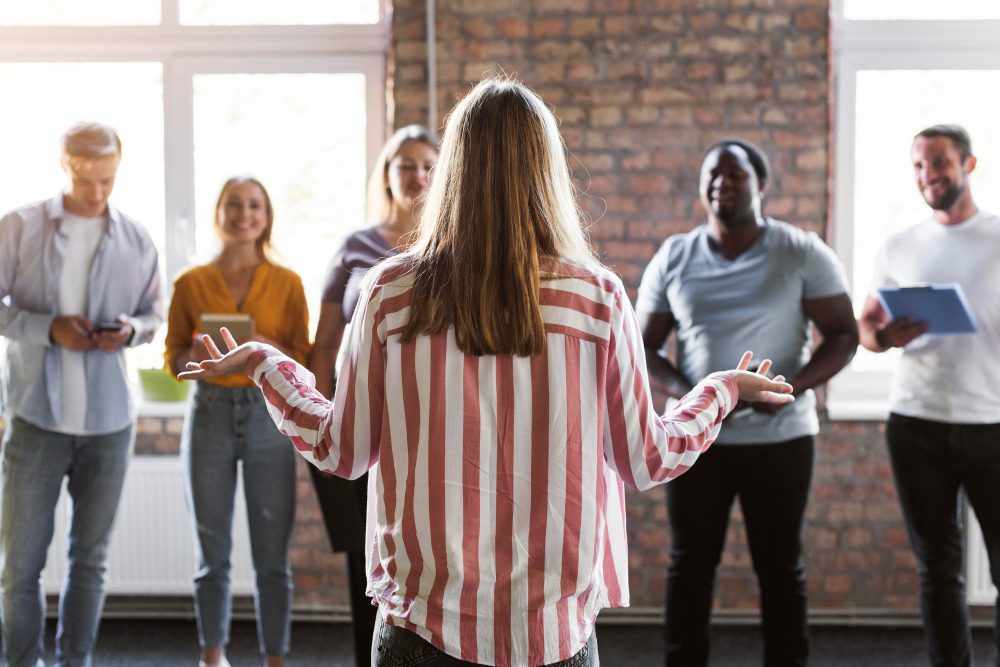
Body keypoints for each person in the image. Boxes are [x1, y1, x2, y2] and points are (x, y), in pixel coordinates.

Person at [178, 78, 795, 667]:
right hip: (552, 637)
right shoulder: (597, 299)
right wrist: (722, 390)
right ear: (547, 172)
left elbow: (340, 450)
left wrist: (266, 365)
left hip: (420, 630)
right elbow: (647, 458)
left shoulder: (390, 293)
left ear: (451, 170)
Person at [635, 138, 858, 667]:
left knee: (781, 567)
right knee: (690, 566)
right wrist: (696, 398)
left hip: (781, 439)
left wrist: (794, 389)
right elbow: (642, 348)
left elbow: (845, 335)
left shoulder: (801, 251)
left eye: (736, 175)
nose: (722, 184)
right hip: (696, 441)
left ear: (762, 185)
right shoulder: (675, 255)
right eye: (713, 174)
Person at [0, 121, 162, 667]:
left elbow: (154, 316)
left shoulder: (138, 238)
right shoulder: (18, 227)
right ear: (64, 165)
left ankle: (76, 663)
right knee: (19, 566)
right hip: (34, 423)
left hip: (109, 425)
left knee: (89, 562)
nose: (96, 192)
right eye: (85, 179)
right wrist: (46, 328)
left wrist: (130, 332)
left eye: (108, 180)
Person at [858, 124, 1000, 667]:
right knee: (938, 567)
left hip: (992, 424)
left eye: (938, 163)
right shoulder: (901, 245)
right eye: (918, 166)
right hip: (917, 424)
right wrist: (883, 337)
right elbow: (867, 326)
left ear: (968, 164)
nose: (928, 175)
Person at [164, 176, 311, 667]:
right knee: (213, 554)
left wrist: (262, 345)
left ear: (266, 216)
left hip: (268, 413)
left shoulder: (287, 283)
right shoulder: (190, 283)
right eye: (233, 204)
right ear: (219, 212)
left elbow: (303, 360)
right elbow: (172, 359)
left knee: (272, 557)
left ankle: (275, 660)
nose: (243, 214)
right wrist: (202, 350)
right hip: (208, 413)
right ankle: (212, 657)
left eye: (254, 205)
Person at [307, 124, 438, 667]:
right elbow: (325, 344)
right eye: (404, 165)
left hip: (424, 432)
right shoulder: (355, 247)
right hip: (363, 425)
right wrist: (322, 424)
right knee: (369, 565)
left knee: (422, 557)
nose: (416, 175)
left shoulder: (448, 245)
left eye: (428, 164)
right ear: (386, 175)